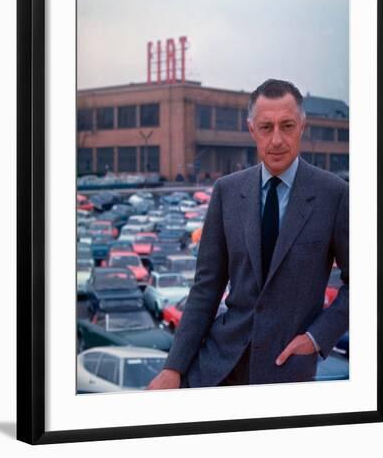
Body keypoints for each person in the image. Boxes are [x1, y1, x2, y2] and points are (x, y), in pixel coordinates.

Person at [147, 79, 349, 389]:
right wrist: (173, 367)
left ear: (302, 126)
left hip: (286, 369)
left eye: (287, 126)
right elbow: (206, 287)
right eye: (266, 128)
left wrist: (316, 338)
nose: (277, 139)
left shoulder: (334, 194)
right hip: (217, 362)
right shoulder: (227, 191)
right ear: (252, 129)